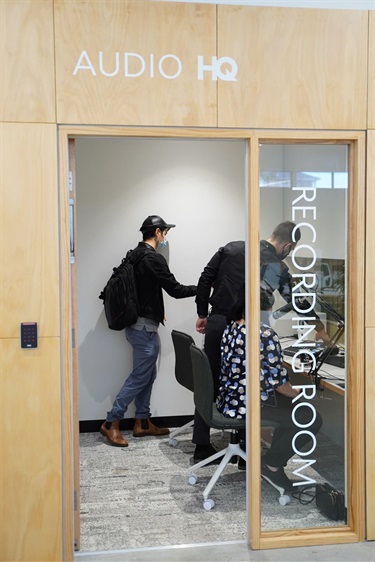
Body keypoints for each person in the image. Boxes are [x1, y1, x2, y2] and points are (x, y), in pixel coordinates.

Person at [100, 215, 197, 447]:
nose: (165, 237)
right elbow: (175, 289)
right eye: (165, 232)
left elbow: (142, 288)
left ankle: (142, 422)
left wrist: (155, 308)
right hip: (143, 327)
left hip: (139, 323)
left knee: (147, 374)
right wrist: (202, 288)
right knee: (141, 375)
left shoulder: (135, 254)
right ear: (157, 233)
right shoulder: (153, 258)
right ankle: (110, 422)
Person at [217, 286, 323, 488]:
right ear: (263, 310)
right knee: (309, 416)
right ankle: (272, 464)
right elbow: (280, 385)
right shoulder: (264, 334)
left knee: (292, 408)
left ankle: (273, 458)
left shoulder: (231, 326)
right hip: (249, 404)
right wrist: (303, 391)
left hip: (230, 399)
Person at [194, 240, 245, 462]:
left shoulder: (229, 249)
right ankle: (244, 450)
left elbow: (205, 278)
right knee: (245, 382)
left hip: (218, 321)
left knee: (209, 382)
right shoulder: (266, 258)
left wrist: (202, 312)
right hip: (244, 323)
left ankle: (202, 445)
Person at [260, 221, 330, 344]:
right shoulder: (276, 266)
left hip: (226, 325)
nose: (288, 253)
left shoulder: (245, 250)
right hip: (255, 326)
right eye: (291, 250)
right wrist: (320, 329)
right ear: (287, 246)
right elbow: (297, 300)